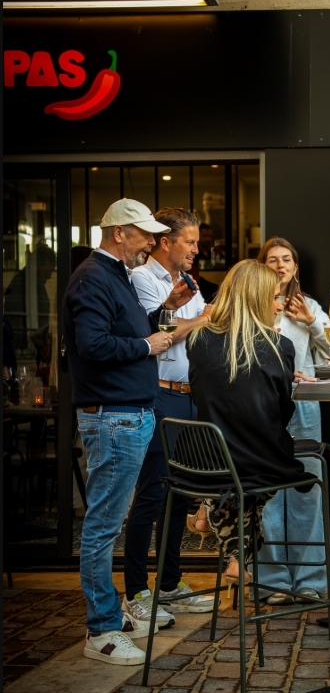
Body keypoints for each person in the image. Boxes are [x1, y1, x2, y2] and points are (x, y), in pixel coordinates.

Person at [62, 199, 196, 666]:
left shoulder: (114, 274)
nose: (152, 241)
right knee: (103, 527)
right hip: (114, 415)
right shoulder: (93, 277)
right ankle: (101, 629)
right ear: (119, 232)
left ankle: (109, 618)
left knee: (108, 523)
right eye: (145, 233)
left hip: (126, 413)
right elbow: (92, 345)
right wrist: (146, 344)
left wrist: (164, 310)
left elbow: (124, 329)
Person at [123, 208, 217, 628]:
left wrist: (203, 319)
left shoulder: (190, 283)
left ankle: (169, 584)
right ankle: (136, 592)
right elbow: (160, 333)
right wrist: (202, 317)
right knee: (152, 495)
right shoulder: (142, 279)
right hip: (161, 395)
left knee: (180, 496)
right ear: (166, 242)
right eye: (190, 242)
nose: (196, 249)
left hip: (191, 397)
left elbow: (194, 330)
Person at [187, 260, 306, 583]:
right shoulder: (279, 346)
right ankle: (239, 555)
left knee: (232, 475)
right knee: (259, 469)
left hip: (206, 462)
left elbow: (202, 396)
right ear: (257, 299)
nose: (279, 305)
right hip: (260, 461)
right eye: (275, 297)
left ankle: (232, 548)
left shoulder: (198, 340)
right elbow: (283, 412)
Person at [255, 237, 330, 604]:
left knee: (307, 491)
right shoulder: (252, 305)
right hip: (262, 407)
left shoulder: (309, 306)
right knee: (268, 495)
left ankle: (309, 579)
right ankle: (273, 581)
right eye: (272, 259)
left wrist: (311, 323)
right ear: (262, 266)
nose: (280, 265)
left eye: (286, 259)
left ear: (295, 267)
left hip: (303, 405)